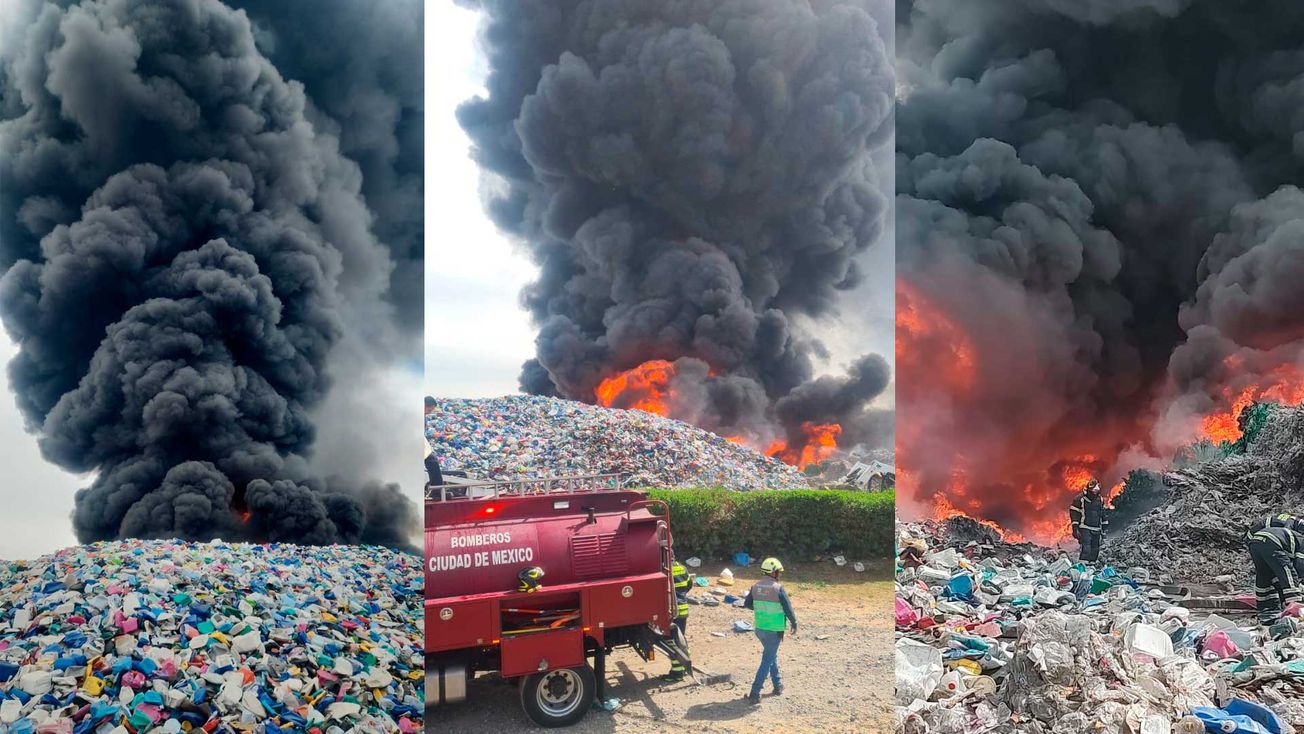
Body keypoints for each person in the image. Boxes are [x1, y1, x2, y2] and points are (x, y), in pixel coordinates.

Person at [742, 557, 797, 705]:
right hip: (775, 630)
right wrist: (794, 623)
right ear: (773, 572)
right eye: (778, 572)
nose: (779, 574)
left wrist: (762, 609)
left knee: (771, 655)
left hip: (760, 629)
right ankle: (755, 691)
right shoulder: (778, 588)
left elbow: (747, 604)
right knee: (767, 659)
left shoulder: (755, 587)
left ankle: (778, 685)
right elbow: (788, 608)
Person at [1245, 524, 1303, 626]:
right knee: (1288, 571)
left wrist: (1282, 596)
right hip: (1272, 541)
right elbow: (1298, 568)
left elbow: (1278, 578)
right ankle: (1295, 608)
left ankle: (1266, 609)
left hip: (1255, 541)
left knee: (1265, 575)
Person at [663, 560, 691, 682]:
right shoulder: (683, 568)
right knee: (681, 639)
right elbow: (689, 585)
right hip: (683, 609)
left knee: (672, 642)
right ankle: (685, 666)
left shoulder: (663, 569)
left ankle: (677, 673)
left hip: (672, 611)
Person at [1068, 479, 1108, 564]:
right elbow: (1074, 513)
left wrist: (1104, 528)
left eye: (1097, 490)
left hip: (1097, 528)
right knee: (1086, 547)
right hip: (1085, 527)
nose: (1095, 492)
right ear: (1089, 489)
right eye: (1093, 490)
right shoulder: (1080, 499)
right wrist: (1075, 527)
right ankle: (1083, 566)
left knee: (1095, 548)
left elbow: (1102, 514)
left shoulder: (1100, 500)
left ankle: (1092, 566)